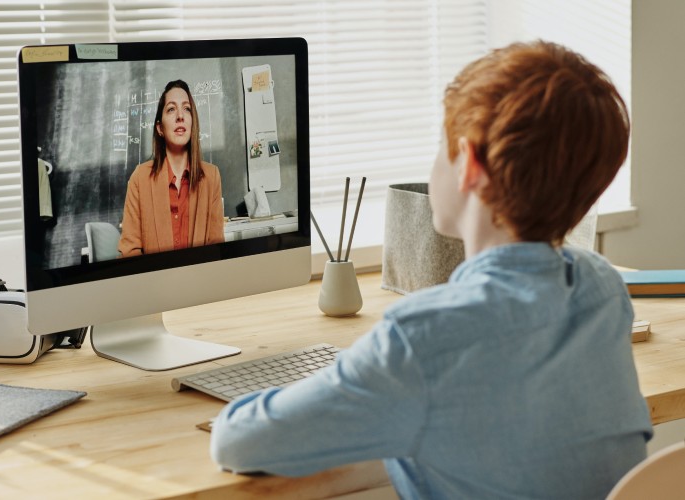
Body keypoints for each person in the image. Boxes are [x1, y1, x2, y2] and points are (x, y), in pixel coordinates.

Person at [209, 41, 653, 499]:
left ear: (471, 166)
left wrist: (349, 382)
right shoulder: (599, 287)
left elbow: (237, 441)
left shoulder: (424, 337)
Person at [118, 80, 224, 258]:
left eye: (187, 109)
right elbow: (130, 252)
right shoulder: (140, 178)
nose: (180, 116)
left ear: (192, 122)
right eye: (171, 109)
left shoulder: (211, 177)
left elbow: (216, 249)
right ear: (160, 128)